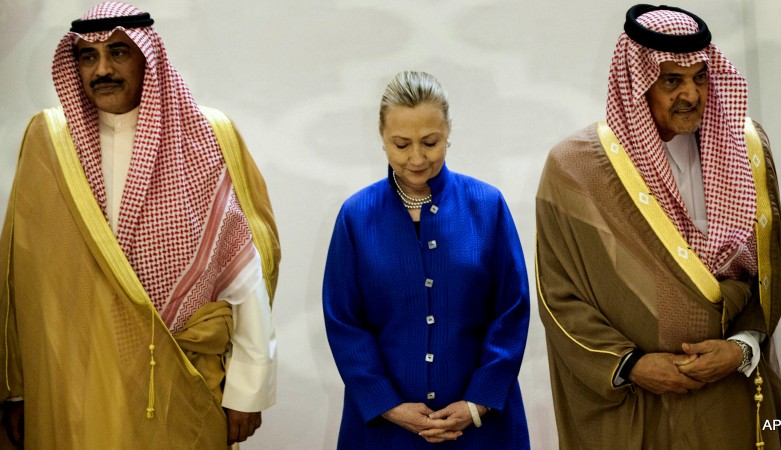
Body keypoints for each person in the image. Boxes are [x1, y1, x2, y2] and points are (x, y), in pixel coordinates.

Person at [0, 2, 280, 448]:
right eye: (88, 56)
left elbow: (243, 277)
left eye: (118, 52)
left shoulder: (204, 137)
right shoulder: (50, 143)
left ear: (148, 57)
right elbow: (23, 278)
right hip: (78, 382)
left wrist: (247, 391)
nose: (101, 69)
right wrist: (14, 388)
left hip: (175, 376)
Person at [536, 4, 781, 449]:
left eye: (700, 77)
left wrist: (741, 349)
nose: (691, 94)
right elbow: (558, 298)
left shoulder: (747, 149)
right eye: (671, 80)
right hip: (637, 406)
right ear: (637, 84)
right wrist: (632, 364)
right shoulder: (574, 170)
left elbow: (770, 274)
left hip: (727, 394)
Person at [322, 71, 530, 449]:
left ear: (448, 132)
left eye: (430, 142)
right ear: (382, 140)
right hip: (383, 430)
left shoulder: (487, 206)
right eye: (401, 145)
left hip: (482, 427)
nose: (416, 158)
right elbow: (344, 322)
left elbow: (512, 310)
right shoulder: (356, 216)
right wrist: (388, 405)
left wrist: (478, 402)